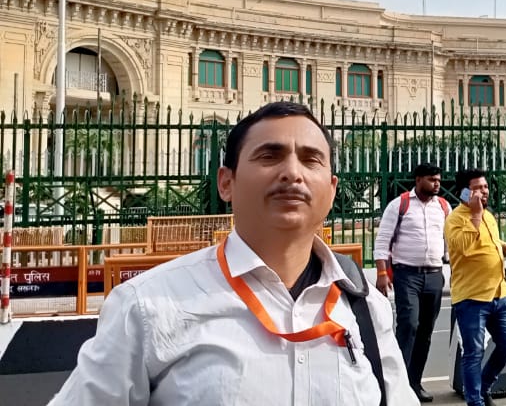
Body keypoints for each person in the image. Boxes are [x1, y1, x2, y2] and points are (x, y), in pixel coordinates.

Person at [50, 101, 418, 405]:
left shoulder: (366, 308)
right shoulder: (147, 307)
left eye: (311, 160)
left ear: (332, 189)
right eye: (270, 156)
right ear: (227, 183)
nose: (293, 172)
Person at [445, 169, 506, 406]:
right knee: (473, 353)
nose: (484, 191)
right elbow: (465, 247)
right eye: (478, 188)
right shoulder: (455, 220)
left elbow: (491, 244)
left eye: (486, 186)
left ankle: (484, 386)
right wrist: (476, 215)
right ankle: (475, 402)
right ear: (465, 192)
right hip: (472, 298)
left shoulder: (488, 216)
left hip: (499, 294)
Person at [373, 163, 450, 402]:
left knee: (426, 331)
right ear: (418, 180)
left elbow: (449, 241)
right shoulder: (400, 205)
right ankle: (397, 384)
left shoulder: (443, 206)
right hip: (407, 275)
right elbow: (382, 241)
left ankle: (414, 383)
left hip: (434, 275)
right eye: (431, 180)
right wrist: (382, 273)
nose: (436, 184)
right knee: (409, 326)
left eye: (438, 180)